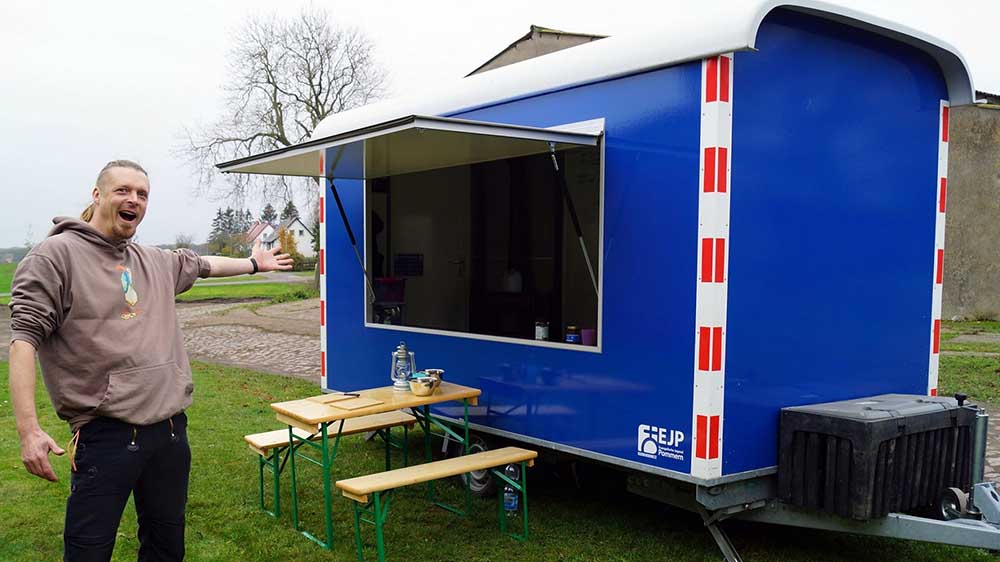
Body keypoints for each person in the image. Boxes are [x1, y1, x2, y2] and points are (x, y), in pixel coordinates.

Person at [8, 159, 293, 561]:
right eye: (123, 190)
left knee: (166, 547)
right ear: (97, 195)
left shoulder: (152, 260)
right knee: (88, 552)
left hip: (171, 435)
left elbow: (203, 264)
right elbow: (24, 340)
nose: (134, 200)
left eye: (142, 194)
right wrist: (28, 430)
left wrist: (253, 263)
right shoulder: (54, 257)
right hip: (105, 435)